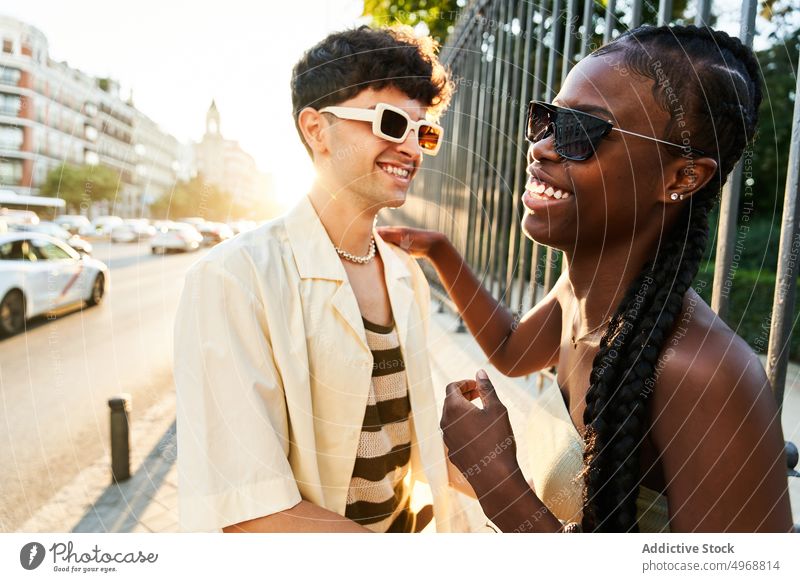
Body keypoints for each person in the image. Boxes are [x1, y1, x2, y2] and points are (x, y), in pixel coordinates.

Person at [378, 24, 794, 532]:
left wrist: (499, 483)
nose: (543, 147)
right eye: (546, 119)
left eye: (581, 130)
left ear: (682, 177)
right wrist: (440, 252)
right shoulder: (578, 299)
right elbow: (511, 351)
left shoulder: (704, 373)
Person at [174, 25, 476, 533]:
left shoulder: (405, 275)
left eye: (423, 132)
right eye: (390, 123)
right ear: (316, 129)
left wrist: (523, 484)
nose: (412, 149)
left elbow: (407, 443)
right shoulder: (231, 278)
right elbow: (251, 514)